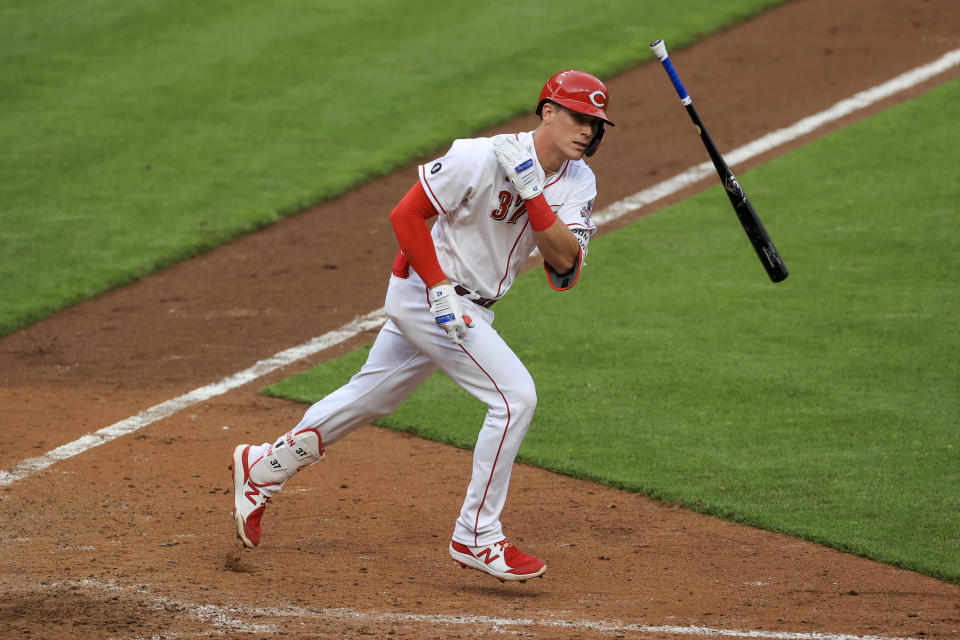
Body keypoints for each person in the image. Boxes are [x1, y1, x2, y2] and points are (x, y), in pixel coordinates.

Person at [231, 70, 614, 582]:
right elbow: (406, 215)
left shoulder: (578, 181)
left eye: (596, 122)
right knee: (515, 397)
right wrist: (435, 287)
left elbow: (565, 268)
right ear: (547, 111)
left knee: (373, 396)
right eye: (577, 116)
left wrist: (533, 195)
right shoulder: (478, 156)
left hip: (470, 305)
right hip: (428, 294)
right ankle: (476, 535)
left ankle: (261, 468)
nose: (587, 129)